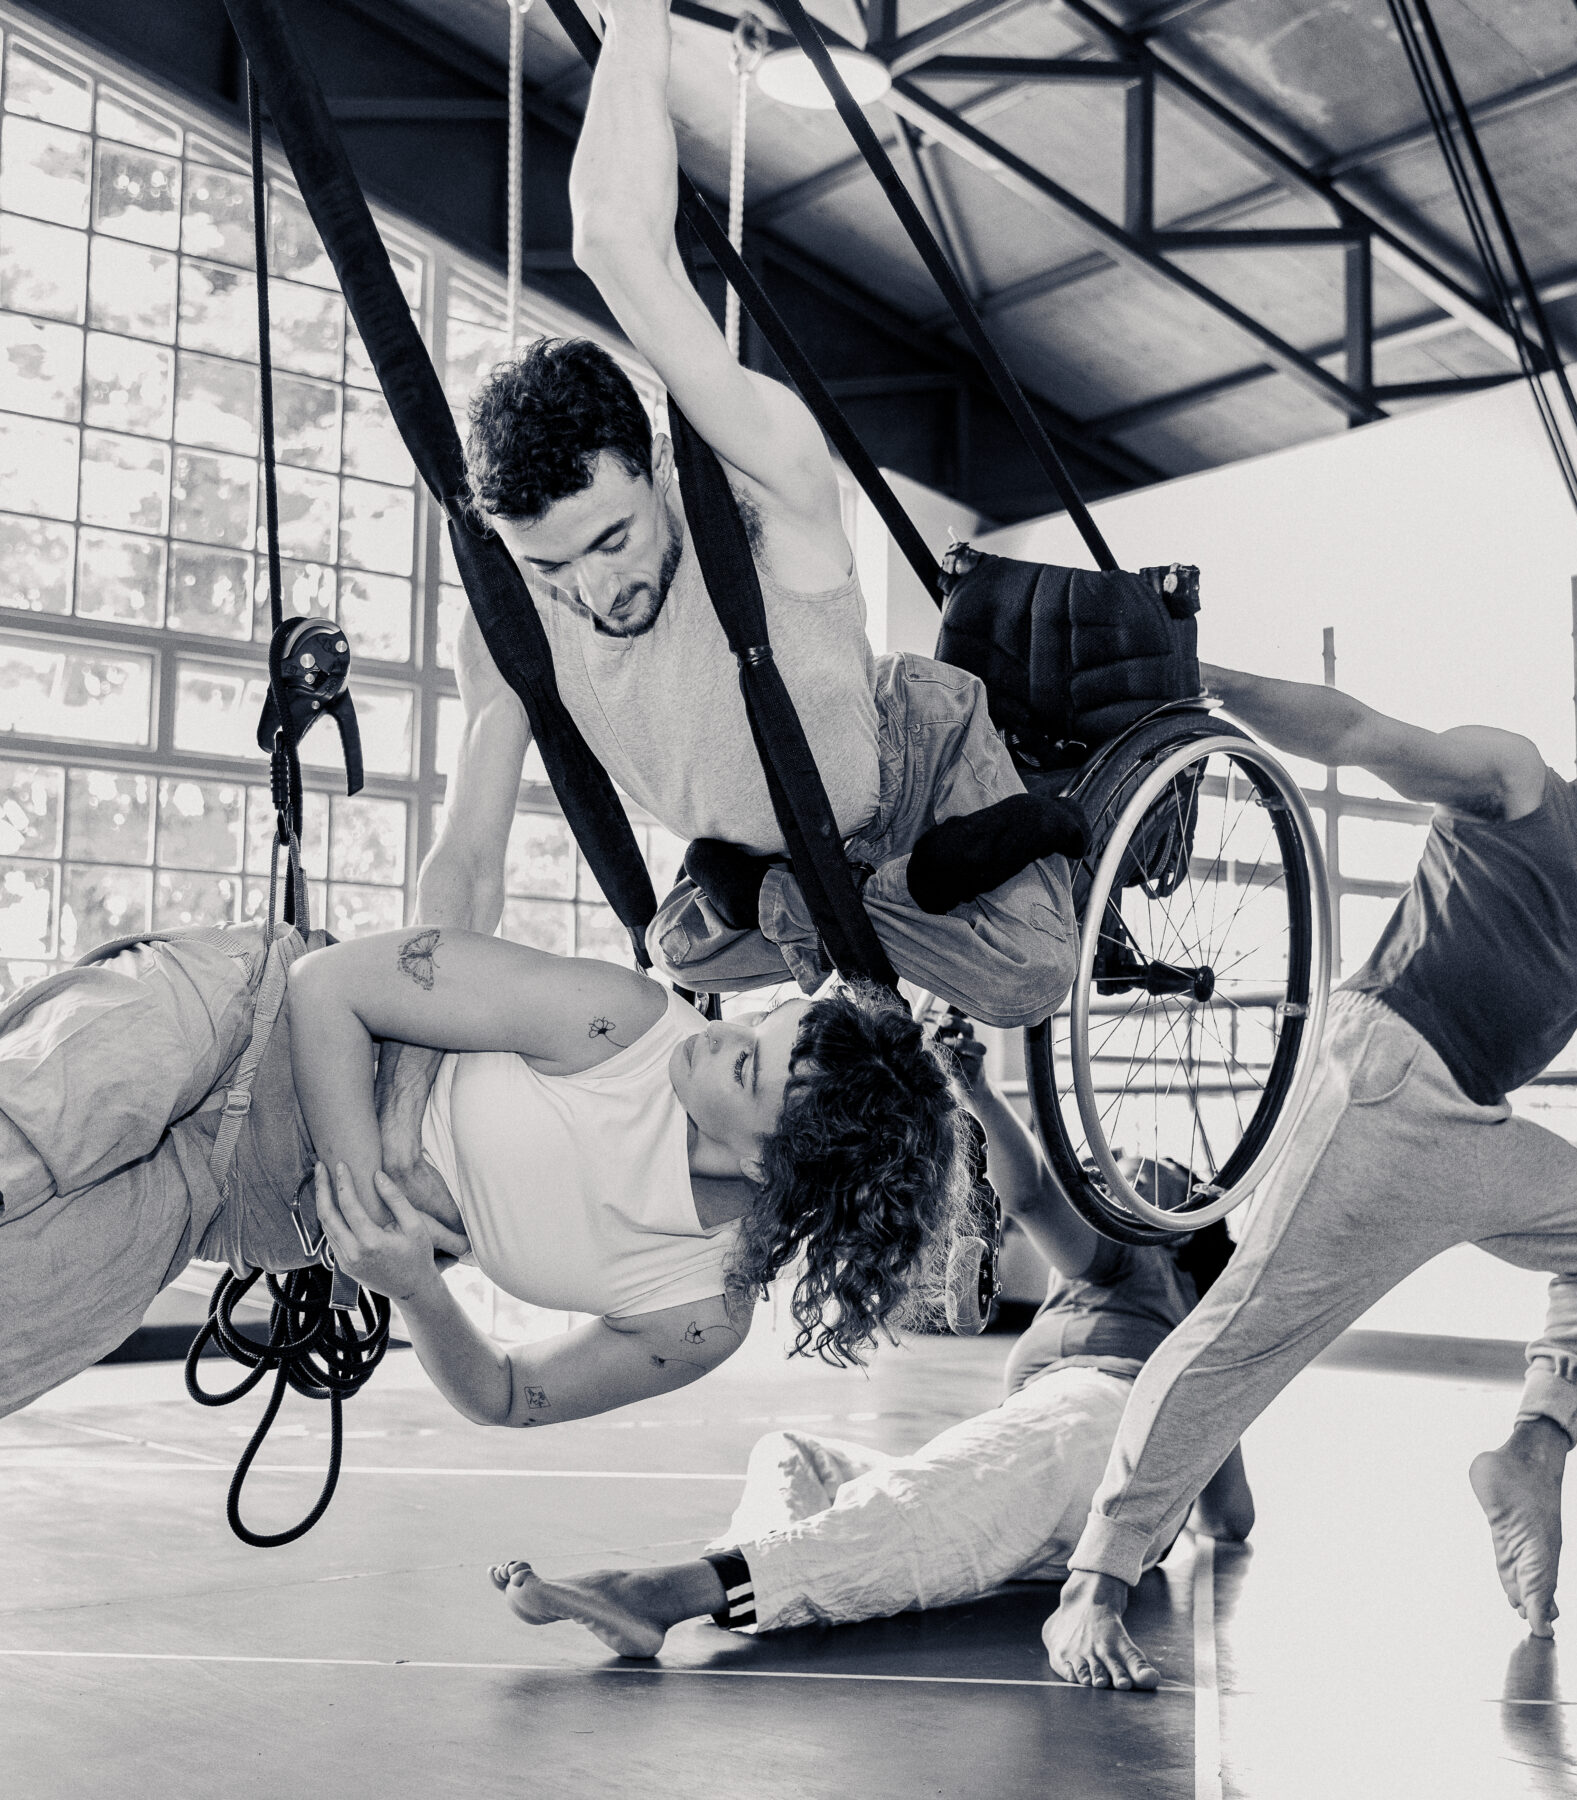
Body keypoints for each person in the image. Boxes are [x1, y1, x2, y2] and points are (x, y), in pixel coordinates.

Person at [1038, 667, 1577, 1689]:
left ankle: (1533, 1452)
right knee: (1243, 1338)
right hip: (1387, 1085)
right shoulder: (1517, 780)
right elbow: (1359, 732)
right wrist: (1204, 680)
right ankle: (1097, 1580)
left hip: (1477, 1131)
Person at [416, 0, 1080, 1042]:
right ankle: (834, 909)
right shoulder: (507, 616)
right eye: (553, 567)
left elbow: (618, 246)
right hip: (769, 862)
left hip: (904, 775)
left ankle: (913, 880)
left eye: (612, 538)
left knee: (1029, 976)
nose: (593, 589)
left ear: (654, 465)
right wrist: (417, 1028)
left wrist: (633, 23)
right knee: (670, 952)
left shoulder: (755, 482)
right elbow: (467, 856)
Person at [484, 1019, 1253, 1652]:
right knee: (796, 1457)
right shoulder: (1166, 1334)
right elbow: (1230, 1520)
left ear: (1180, 1232)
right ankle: (768, 1574)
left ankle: (666, 1590)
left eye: (1135, 1168)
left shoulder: (1138, 1264)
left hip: (1091, 1427)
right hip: (1068, 1489)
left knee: (928, 1496)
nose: (1110, 1168)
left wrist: (976, 1093)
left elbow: (1029, 1195)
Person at [0, 920, 967, 1423]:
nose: (723, 1038)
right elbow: (326, 988)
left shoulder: (698, 1313)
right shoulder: (620, 1023)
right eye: (756, 1027)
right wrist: (370, 1191)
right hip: (231, 1021)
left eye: (747, 1066)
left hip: (230, 1204)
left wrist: (413, 1286)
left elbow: (508, 1396)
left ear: (773, 1163)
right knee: (24, 1141)